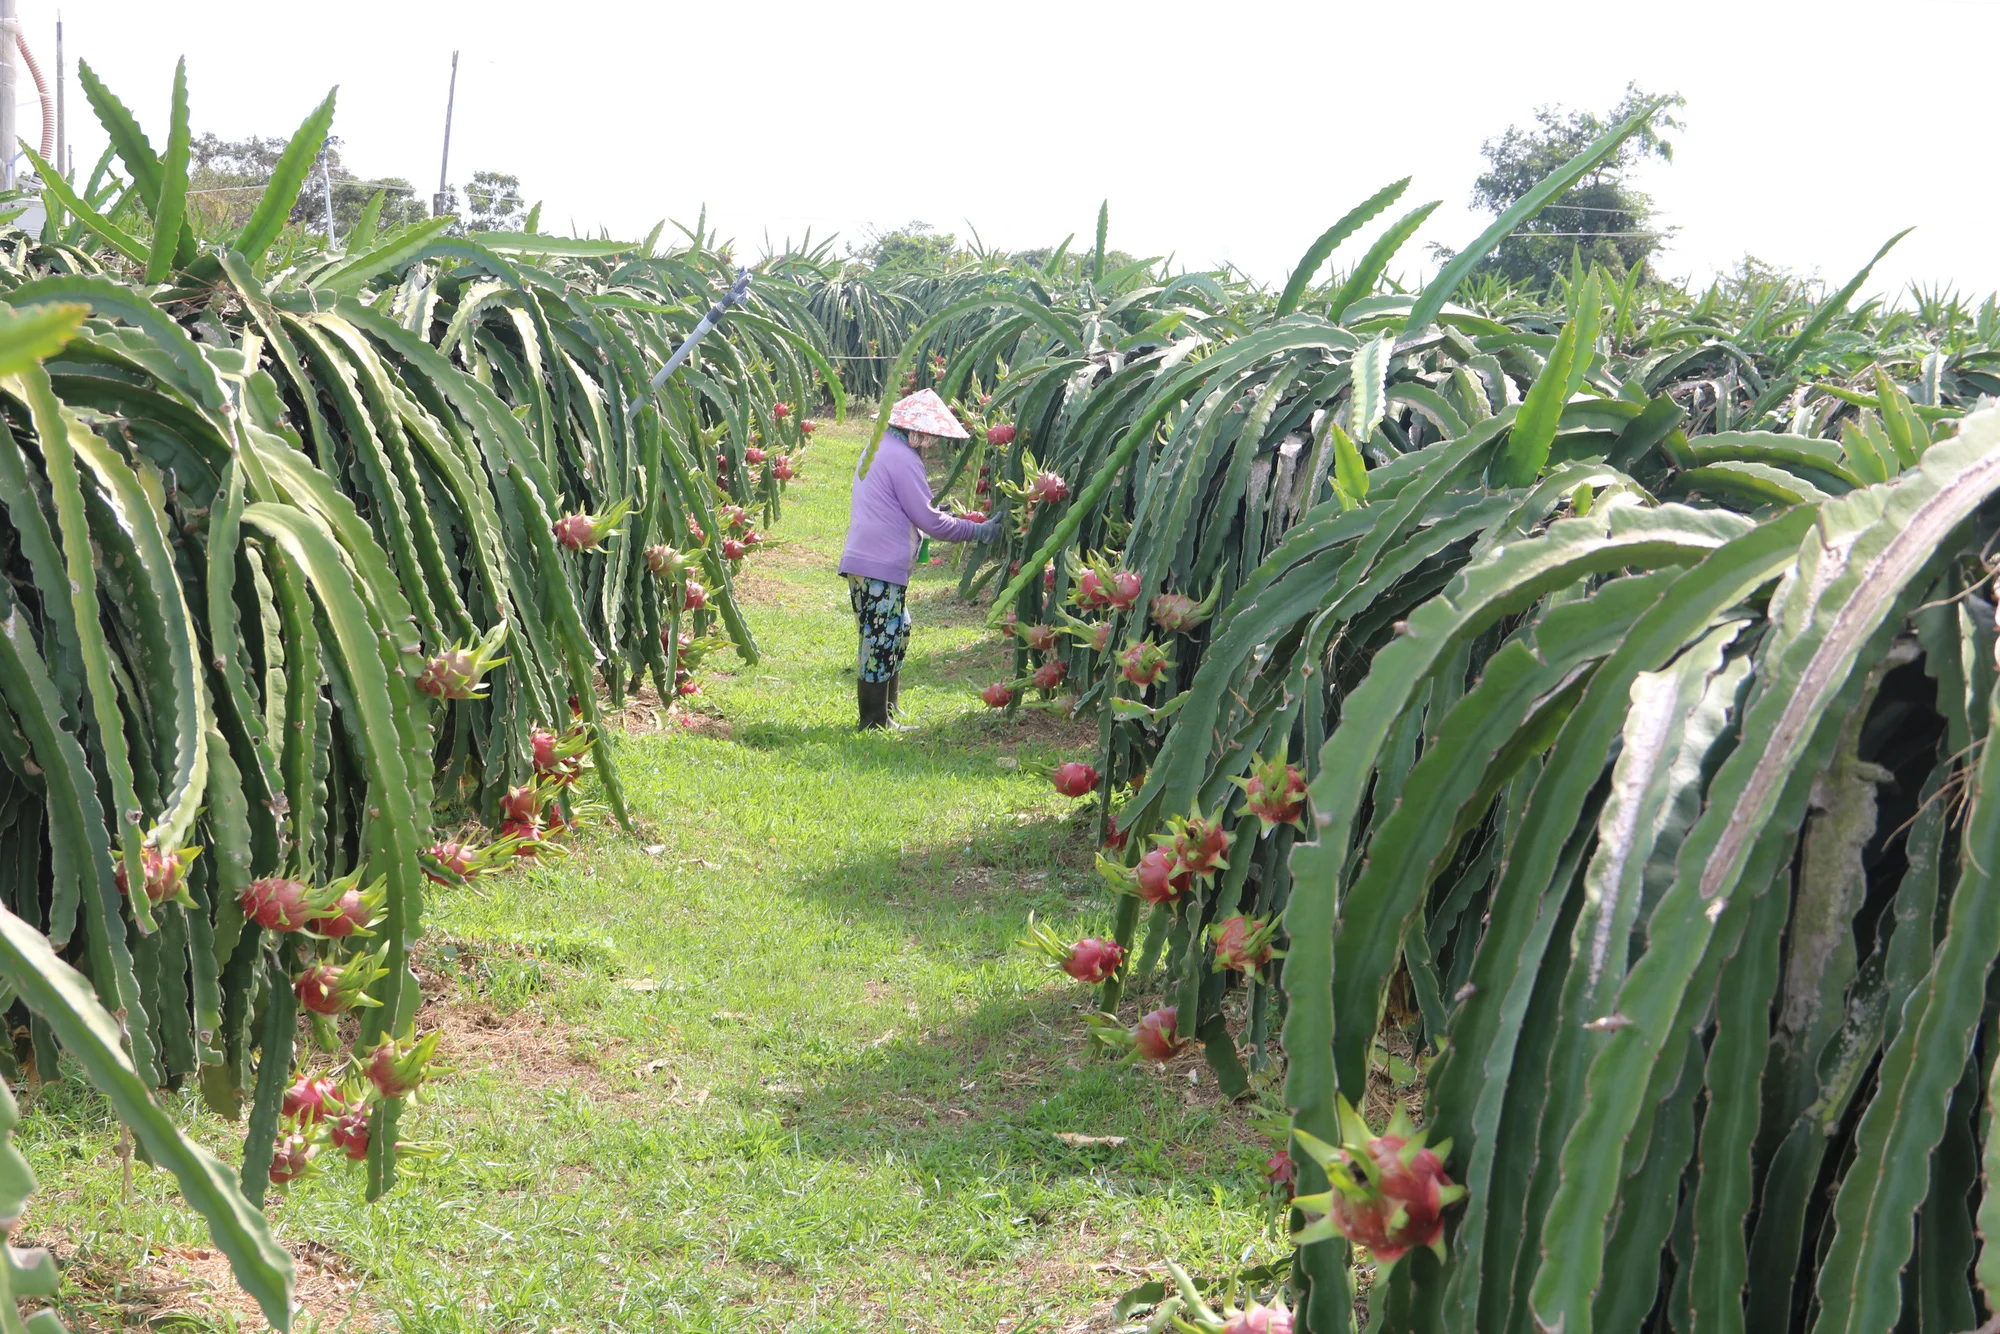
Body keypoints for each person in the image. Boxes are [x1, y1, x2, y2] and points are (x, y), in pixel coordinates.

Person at [838, 388, 999, 730]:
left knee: (895, 630)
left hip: (864, 559)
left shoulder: (880, 447)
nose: (928, 442)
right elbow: (931, 522)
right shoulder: (903, 458)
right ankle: (873, 721)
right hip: (879, 563)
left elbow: (901, 507)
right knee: (881, 638)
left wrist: (930, 514)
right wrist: (977, 531)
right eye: (926, 435)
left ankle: (888, 711)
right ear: (912, 428)